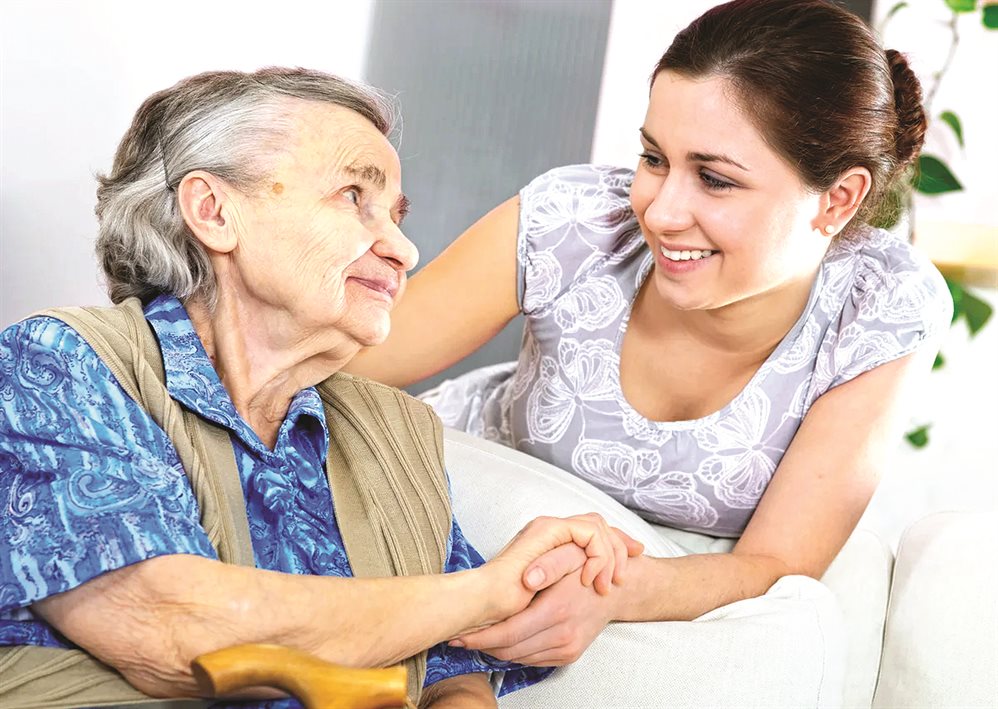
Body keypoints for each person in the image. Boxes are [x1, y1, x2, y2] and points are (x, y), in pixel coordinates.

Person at [346, 0, 953, 702]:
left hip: (638, 581)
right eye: (654, 158)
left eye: (715, 178)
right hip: (457, 507)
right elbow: (338, 361)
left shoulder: (881, 304)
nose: (659, 212)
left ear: (838, 199)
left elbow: (776, 561)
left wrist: (612, 590)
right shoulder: (575, 219)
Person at [0, 68, 642, 709]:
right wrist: (487, 591)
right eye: (353, 196)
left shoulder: (396, 431)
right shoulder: (62, 363)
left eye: (396, 215)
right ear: (214, 212)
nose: (404, 250)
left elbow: (450, 670)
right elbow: (172, 626)